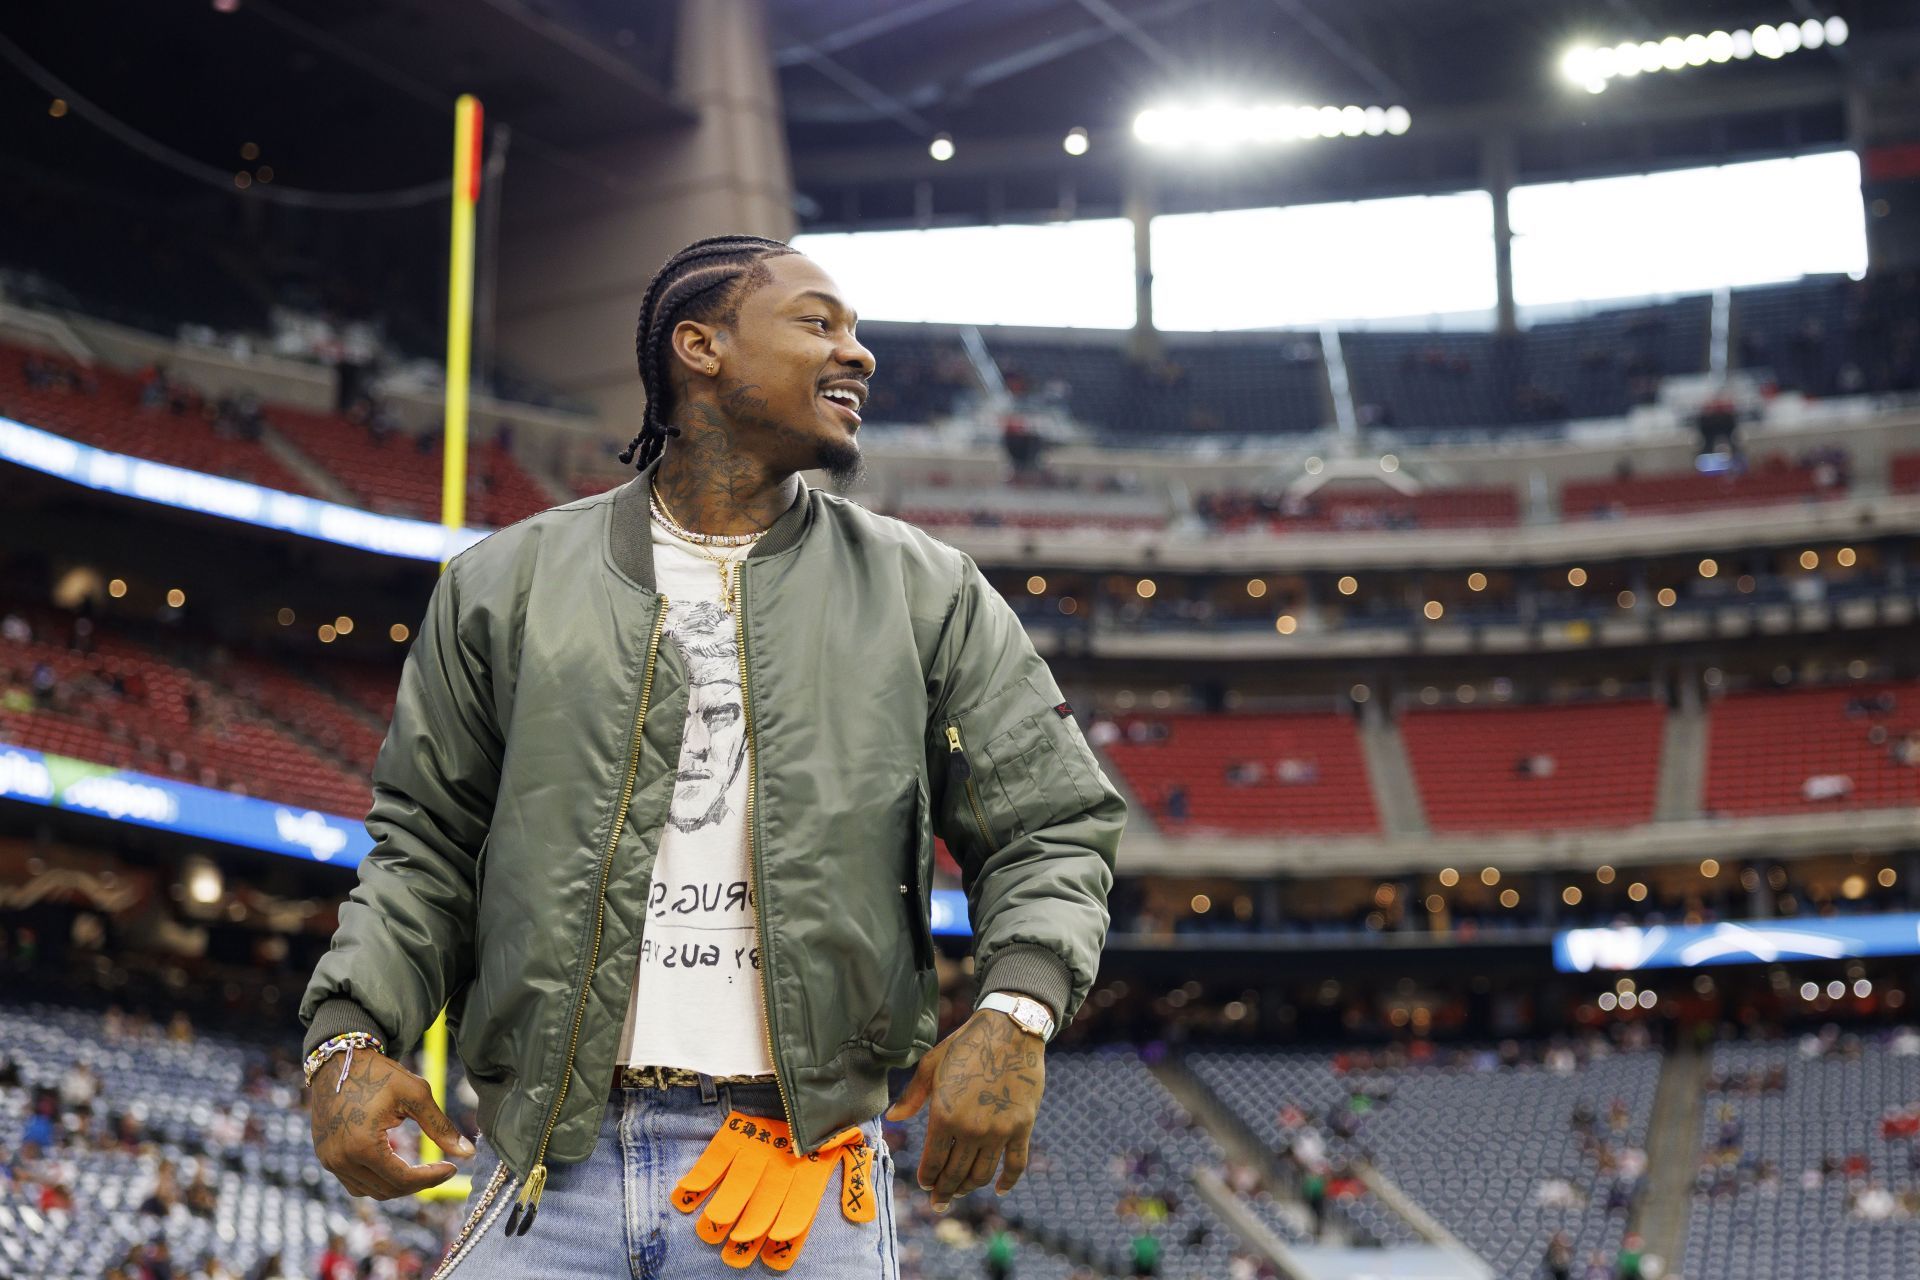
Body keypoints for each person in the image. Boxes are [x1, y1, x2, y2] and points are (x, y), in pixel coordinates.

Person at [298, 235, 1124, 1276]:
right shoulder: (503, 585)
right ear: (701, 346)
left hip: (799, 1173)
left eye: (856, 331)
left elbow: (1049, 823)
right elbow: (423, 846)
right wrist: (345, 1032)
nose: (860, 354)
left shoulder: (928, 590)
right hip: (549, 1171)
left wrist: (1016, 1010)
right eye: (820, 323)